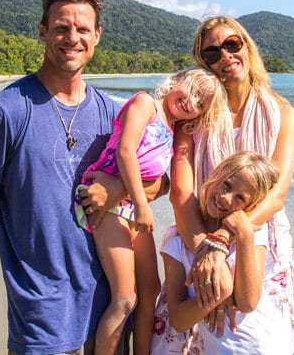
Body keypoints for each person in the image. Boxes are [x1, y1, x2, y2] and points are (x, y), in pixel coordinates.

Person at [0, 0, 160, 354]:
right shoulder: (4, 113)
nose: (71, 38)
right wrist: (30, 216)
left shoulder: (115, 115)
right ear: (43, 32)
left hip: (108, 303)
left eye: (82, 29)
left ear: (97, 36)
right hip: (41, 311)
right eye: (61, 28)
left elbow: (161, 183)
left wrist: (118, 189)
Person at [168, 15, 294, 353]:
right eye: (212, 52)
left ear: (247, 47)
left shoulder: (282, 113)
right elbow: (181, 192)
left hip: (258, 236)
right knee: (204, 323)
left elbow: (276, 194)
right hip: (198, 228)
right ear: (203, 62)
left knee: (254, 337)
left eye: (232, 45)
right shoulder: (193, 116)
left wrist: (225, 240)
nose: (226, 56)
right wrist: (205, 248)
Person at [76, 66, 226, 355]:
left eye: (199, 103)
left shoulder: (172, 131)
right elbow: (125, 150)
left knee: (151, 289)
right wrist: (142, 204)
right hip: (107, 205)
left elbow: (165, 181)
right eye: (191, 90)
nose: (190, 101)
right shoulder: (146, 104)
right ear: (177, 79)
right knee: (125, 299)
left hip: (129, 208)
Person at [152, 151, 294, 354]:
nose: (226, 199)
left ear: (251, 205)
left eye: (240, 198)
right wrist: (219, 293)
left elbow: (248, 303)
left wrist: (244, 235)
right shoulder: (177, 242)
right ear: (216, 174)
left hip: (269, 345)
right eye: (226, 186)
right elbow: (178, 321)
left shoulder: (250, 234)